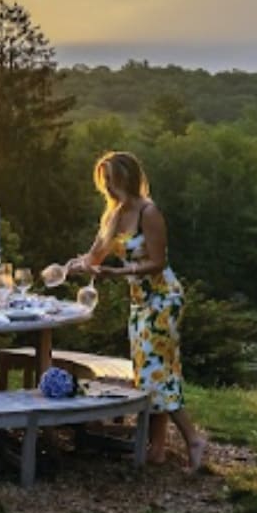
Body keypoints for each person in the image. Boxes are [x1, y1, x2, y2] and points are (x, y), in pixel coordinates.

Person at [67, 151, 207, 470]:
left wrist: (119, 273)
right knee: (150, 372)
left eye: (112, 180)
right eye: (103, 181)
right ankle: (157, 449)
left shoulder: (149, 212)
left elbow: (158, 262)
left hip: (162, 298)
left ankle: (193, 438)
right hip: (139, 300)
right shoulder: (114, 215)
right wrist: (67, 268)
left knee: (155, 372)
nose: (107, 187)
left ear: (127, 179)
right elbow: (94, 258)